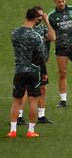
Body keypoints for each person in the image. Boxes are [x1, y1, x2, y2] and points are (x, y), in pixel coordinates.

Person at [7, 8, 47, 138]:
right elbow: (40, 56)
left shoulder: (14, 33)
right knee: (33, 101)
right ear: (35, 19)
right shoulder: (36, 37)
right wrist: (44, 72)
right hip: (33, 72)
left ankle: (13, 130)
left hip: (19, 71)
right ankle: (31, 130)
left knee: (16, 101)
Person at [16, 6, 56, 125]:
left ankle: (41, 115)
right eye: (38, 16)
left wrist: (47, 21)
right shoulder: (28, 30)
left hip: (41, 64)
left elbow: (53, 37)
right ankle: (19, 116)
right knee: (25, 91)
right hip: (30, 65)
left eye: (41, 16)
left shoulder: (43, 29)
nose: (40, 18)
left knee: (43, 89)